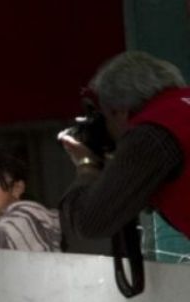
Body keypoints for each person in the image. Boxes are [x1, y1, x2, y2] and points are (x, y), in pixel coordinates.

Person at [58, 50, 190, 263]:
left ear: (118, 110)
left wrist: (86, 165)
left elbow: (92, 222)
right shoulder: (181, 108)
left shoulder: (153, 132)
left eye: (105, 116)